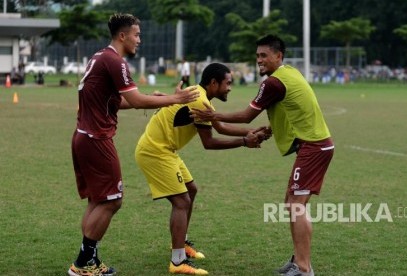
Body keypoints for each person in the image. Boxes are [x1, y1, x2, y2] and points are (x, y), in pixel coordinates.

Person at [190, 35, 334, 276]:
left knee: (296, 206)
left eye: (264, 55)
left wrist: (213, 116)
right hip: (315, 146)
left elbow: (247, 116)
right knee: (292, 203)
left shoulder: (273, 83)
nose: (259, 60)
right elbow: (291, 110)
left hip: (314, 147)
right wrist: (271, 129)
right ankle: (298, 259)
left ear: (278, 56)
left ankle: (304, 268)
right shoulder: (291, 73)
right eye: (257, 56)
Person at [68, 13, 199, 276]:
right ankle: (83, 264)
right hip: (97, 139)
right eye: (137, 35)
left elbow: (121, 101)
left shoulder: (99, 57)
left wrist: (157, 98)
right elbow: (137, 101)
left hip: (84, 136)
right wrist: (175, 98)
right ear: (122, 35)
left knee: (98, 201)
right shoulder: (116, 62)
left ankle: (87, 261)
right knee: (112, 201)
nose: (139, 40)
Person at [135, 62, 271, 275]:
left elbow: (220, 126)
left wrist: (252, 131)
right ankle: (178, 262)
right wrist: (245, 141)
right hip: (155, 151)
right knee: (182, 202)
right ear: (214, 83)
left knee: (191, 190)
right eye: (227, 83)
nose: (230, 87)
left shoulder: (199, 95)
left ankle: (181, 243)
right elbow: (209, 142)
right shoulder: (198, 99)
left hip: (165, 150)